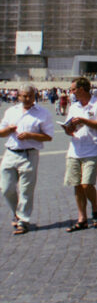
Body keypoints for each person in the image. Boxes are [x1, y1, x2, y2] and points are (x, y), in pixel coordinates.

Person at [0, 85, 54, 235]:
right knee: (6, 188)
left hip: (29, 155)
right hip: (10, 153)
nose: (26, 99)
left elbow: (48, 136)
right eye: (23, 96)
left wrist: (31, 135)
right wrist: (8, 130)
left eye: (29, 96)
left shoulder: (43, 113)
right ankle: (16, 213)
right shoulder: (11, 111)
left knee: (25, 190)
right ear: (18, 96)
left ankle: (23, 220)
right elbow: (1, 132)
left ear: (34, 96)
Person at [63, 77, 97, 232]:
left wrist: (84, 120)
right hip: (74, 149)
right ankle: (82, 218)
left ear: (81, 89)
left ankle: (95, 208)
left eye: (73, 89)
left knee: (87, 184)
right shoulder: (74, 106)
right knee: (77, 185)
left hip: (92, 148)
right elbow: (70, 126)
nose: (71, 92)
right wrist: (68, 129)